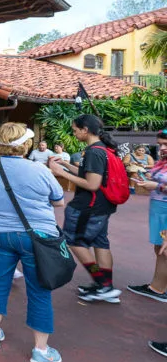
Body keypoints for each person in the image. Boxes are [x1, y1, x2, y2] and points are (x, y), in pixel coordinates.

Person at [0, 122, 65, 362]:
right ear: (26, 144)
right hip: (35, 236)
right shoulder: (39, 169)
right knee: (38, 288)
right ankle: (40, 349)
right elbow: (58, 201)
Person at [48, 114, 122, 303]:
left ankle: (101, 283)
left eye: (75, 130)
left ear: (85, 130)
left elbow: (92, 183)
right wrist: (65, 165)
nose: (74, 133)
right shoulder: (102, 149)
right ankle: (106, 285)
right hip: (102, 206)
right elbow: (87, 173)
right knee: (100, 243)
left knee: (75, 242)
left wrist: (60, 174)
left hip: (88, 207)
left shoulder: (93, 152)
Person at [128, 130, 167, 303]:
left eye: (166, 144)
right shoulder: (162, 162)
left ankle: (158, 289)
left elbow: (161, 185)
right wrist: (148, 179)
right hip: (158, 208)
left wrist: (157, 186)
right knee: (160, 248)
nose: (162, 148)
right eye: (160, 144)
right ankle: (157, 286)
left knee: (164, 250)